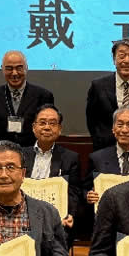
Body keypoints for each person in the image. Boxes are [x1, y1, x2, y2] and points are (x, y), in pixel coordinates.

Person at [22, 103, 81, 248]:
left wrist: (70, 214)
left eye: (52, 123)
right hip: (23, 216)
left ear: (59, 129)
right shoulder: (20, 155)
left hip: (54, 218)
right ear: (34, 127)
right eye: (42, 123)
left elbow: (73, 192)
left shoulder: (70, 158)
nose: (47, 127)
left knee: (59, 236)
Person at [86, 38, 129, 151]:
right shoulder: (98, 86)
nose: (126, 61)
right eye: (122, 56)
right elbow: (91, 120)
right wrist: (100, 141)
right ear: (114, 59)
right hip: (104, 148)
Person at [0, 50, 54, 147]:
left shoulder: (43, 96)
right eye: (9, 68)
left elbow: (47, 127)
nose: (14, 73)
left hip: (33, 151)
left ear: (26, 68)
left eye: (19, 68)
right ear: (2, 69)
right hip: (3, 151)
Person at [84, 107, 129, 206]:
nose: (124, 130)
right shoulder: (97, 158)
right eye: (120, 125)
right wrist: (88, 195)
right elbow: (84, 189)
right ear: (113, 129)